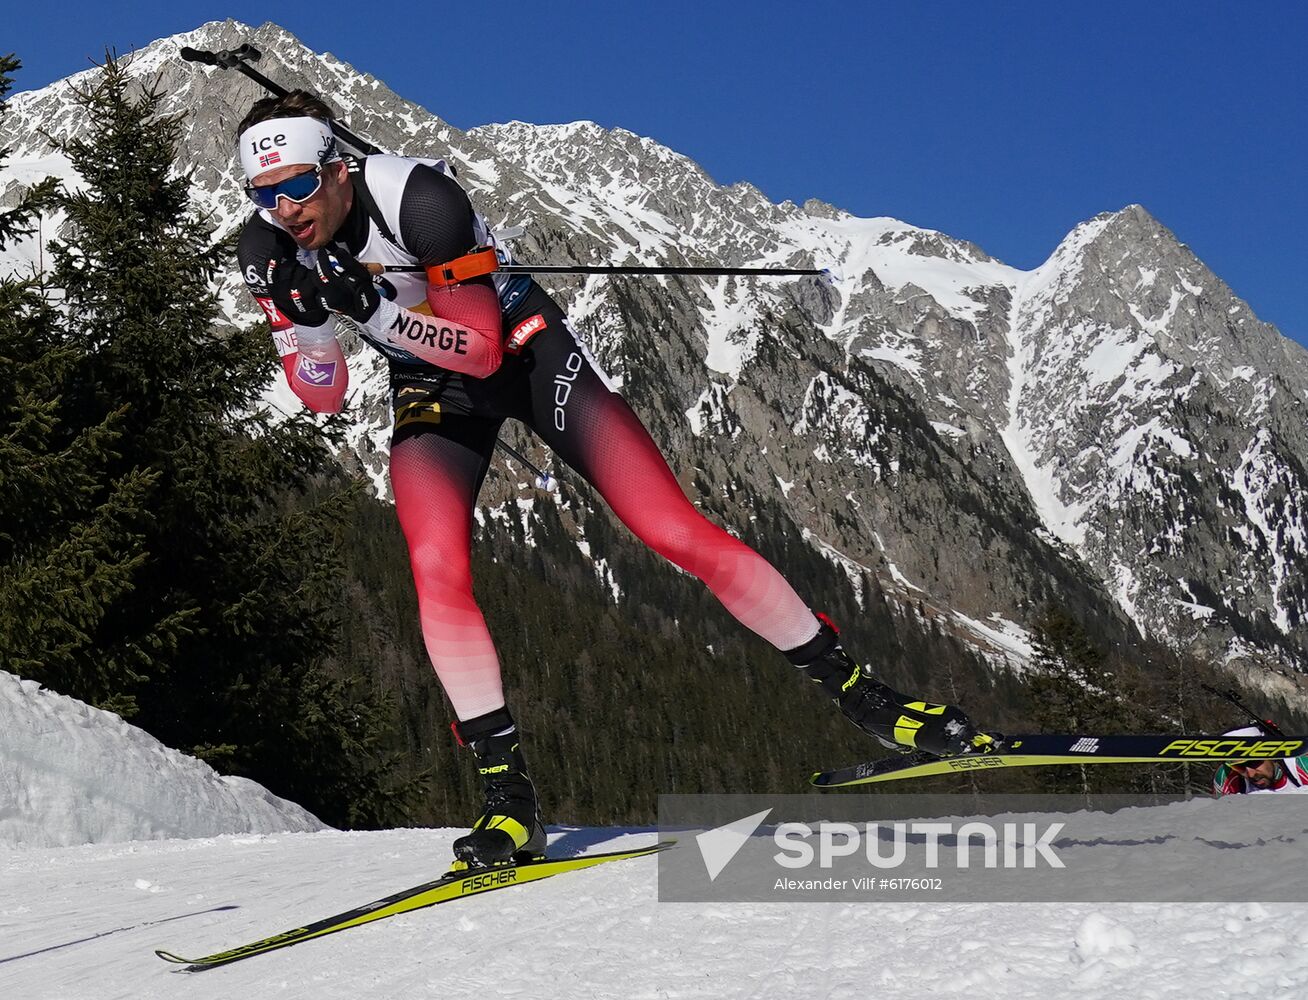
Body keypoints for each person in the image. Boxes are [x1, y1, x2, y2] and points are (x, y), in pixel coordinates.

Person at [231, 91, 985, 867]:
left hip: (522, 351)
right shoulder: (267, 250)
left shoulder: (421, 200)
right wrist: (314, 320)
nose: (284, 210)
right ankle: (508, 800)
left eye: (297, 185)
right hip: (429, 386)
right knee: (435, 571)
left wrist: (377, 312)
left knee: (671, 530)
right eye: (264, 194)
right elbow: (322, 394)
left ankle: (865, 696)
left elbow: (482, 350)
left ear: (339, 169)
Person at [1212, 726, 1308, 796]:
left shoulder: (1301, 764)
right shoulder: (1227, 777)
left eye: (1254, 763)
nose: (1251, 774)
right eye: (1239, 767)